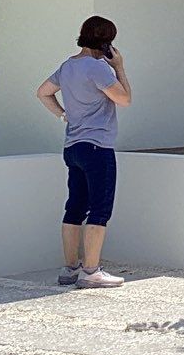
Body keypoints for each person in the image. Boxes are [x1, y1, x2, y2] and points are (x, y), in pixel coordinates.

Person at [36, 15, 132, 288]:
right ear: (106, 42)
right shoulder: (99, 68)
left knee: (75, 206)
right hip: (97, 147)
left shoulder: (68, 66)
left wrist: (63, 115)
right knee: (100, 209)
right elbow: (124, 99)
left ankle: (69, 269)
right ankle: (91, 271)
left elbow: (43, 92)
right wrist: (120, 68)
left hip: (73, 147)